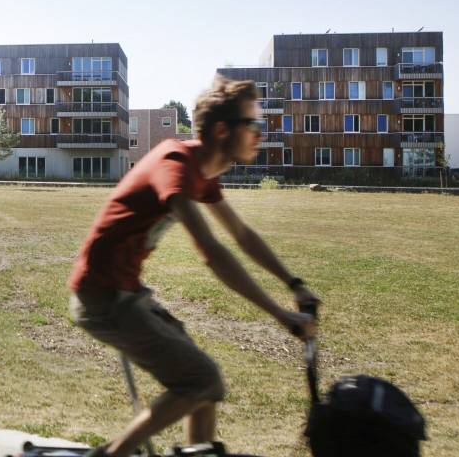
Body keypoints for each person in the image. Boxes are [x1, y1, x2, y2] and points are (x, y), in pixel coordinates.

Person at [68, 77, 320, 457]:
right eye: (253, 124)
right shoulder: (176, 165)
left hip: (126, 292)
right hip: (102, 297)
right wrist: (279, 314)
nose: (260, 134)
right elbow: (211, 251)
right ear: (222, 130)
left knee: (202, 388)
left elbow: (240, 233)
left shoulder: (201, 173)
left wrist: (294, 283)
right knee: (202, 380)